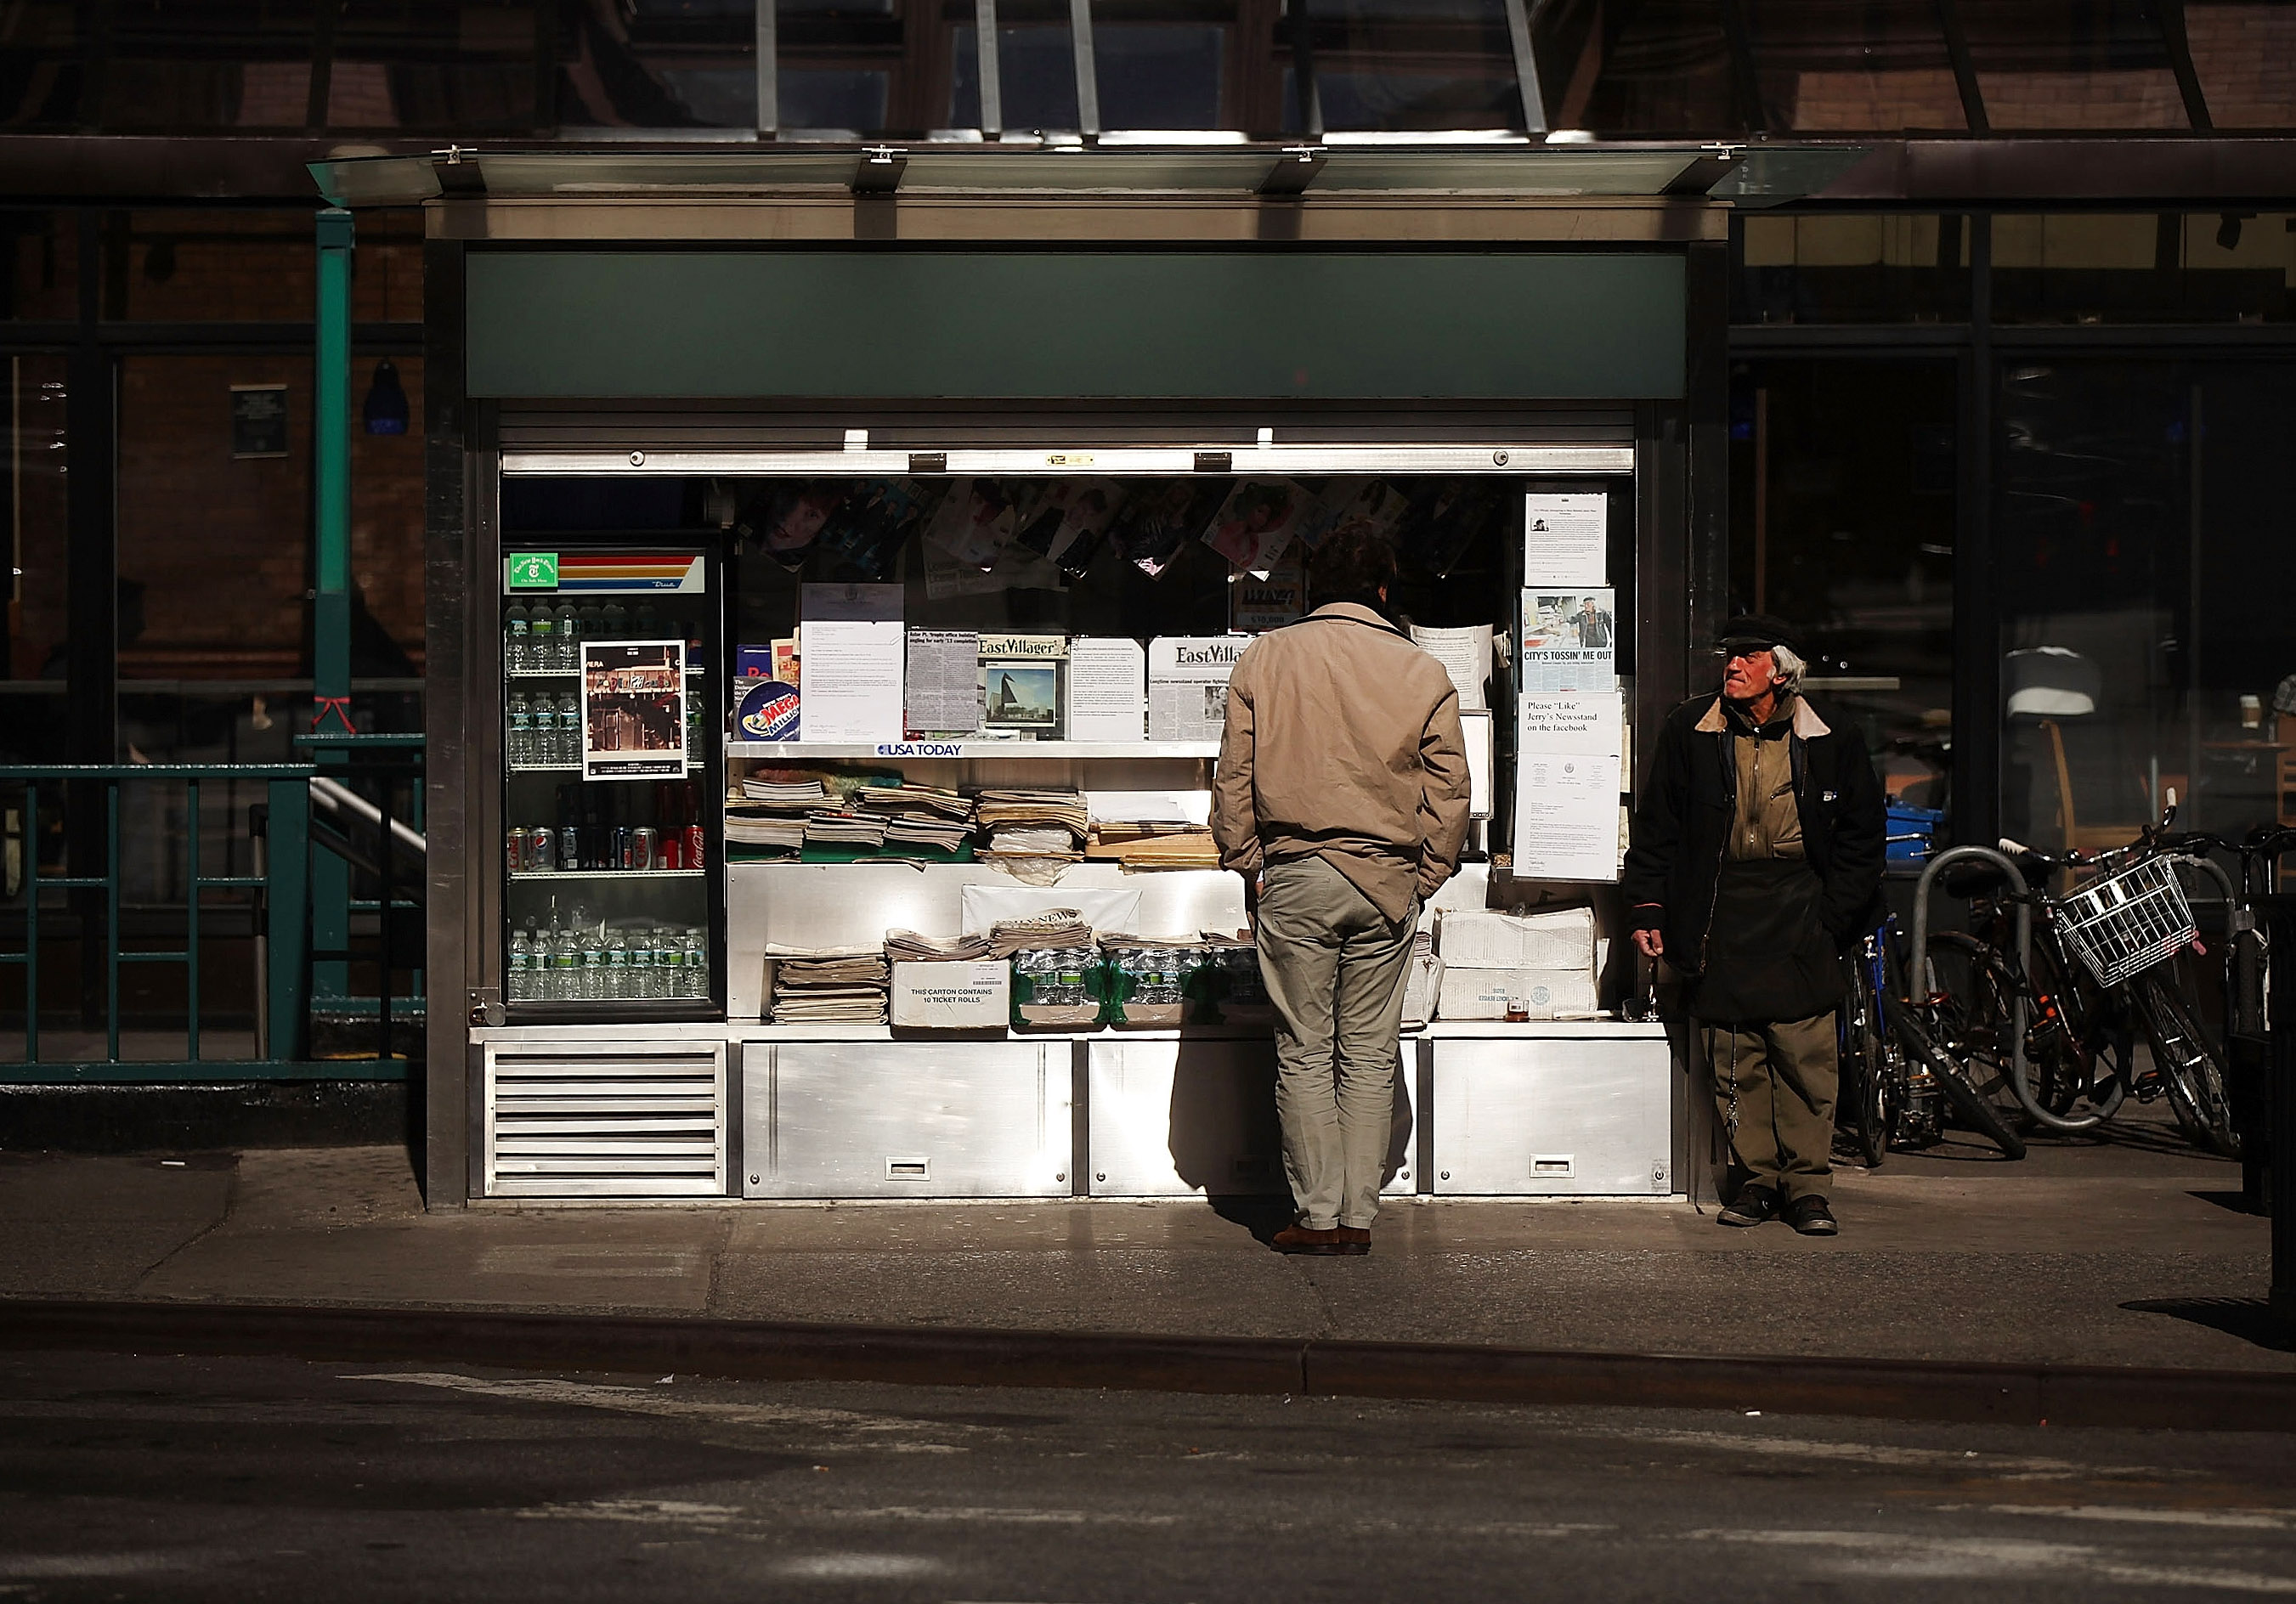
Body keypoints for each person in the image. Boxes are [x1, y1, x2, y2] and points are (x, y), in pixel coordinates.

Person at [1212, 522, 1471, 1257]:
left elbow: (1234, 778)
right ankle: (1358, 1219)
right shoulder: (1421, 670)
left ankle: (1316, 1217)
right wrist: (1427, 873)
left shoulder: (1267, 658)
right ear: (1384, 591)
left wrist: (1248, 862)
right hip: (1387, 879)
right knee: (1368, 1050)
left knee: (1302, 1048)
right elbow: (1451, 791)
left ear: (1313, 589)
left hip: (1296, 875)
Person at [1621, 614, 1884, 1236]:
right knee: (1735, 1057)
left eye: (1747, 655)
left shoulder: (1831, 735)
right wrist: (1649, 907)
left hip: (1801, 909)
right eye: (1729, 656)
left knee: (1804, 1057)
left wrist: (1833, 919)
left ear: (1781, 669)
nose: (1732, 666)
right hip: (1722, 909)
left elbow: (1861, 839)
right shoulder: (1692, 729)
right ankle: (1757, 1182)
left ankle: (1809, 1188)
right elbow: (1658, 828)